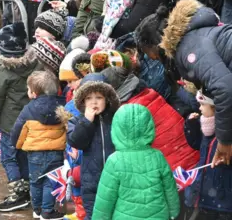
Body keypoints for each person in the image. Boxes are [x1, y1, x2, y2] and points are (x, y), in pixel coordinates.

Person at [136, 0, 232, 168]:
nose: (153, 60)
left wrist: (225, 141)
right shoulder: (192, 37)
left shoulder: (188, 47)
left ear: (156, 46)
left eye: (149, 54)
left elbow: (225, 88)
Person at [0, 22, 39, 212]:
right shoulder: (36, 64)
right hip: (31, 120)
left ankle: (18, 193)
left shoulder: (4, 72)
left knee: (9, 158)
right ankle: (28, 190)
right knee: (24, 156)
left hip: (10, 124)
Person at [92, 104, 180, 220]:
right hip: (158, 215)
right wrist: (174, 211)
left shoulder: (114, 161)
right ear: (148, 127)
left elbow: (105, 198)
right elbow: (170, 189)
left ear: (117, 129)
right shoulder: (157, 156)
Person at [11, 71, 67, 220]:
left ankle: (37, 209)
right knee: (50, 180)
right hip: (56, 152)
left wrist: (18, 145)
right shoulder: (63, 106)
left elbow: (18, 131)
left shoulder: (28, 109)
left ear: (34, 93)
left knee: (35, 181)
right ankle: (47, 211)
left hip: (35, 154)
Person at [66, 74, 121, 219]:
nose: (94, 102)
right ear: (83, 101)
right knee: (93, 215)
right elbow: (75, 141)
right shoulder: (77, 120)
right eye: (89, 98)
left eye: (99, 97)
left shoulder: (116, 117)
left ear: (107, 99)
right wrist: (87, 121)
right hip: (91, 182)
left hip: (116, 180)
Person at [184, 90, 232, 219]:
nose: (199, 108)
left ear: (215, 108)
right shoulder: (205, 125)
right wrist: (191, 125)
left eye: (202, 104)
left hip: (223, 195)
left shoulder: (226, 132)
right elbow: (196, 144)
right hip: (205, 190)